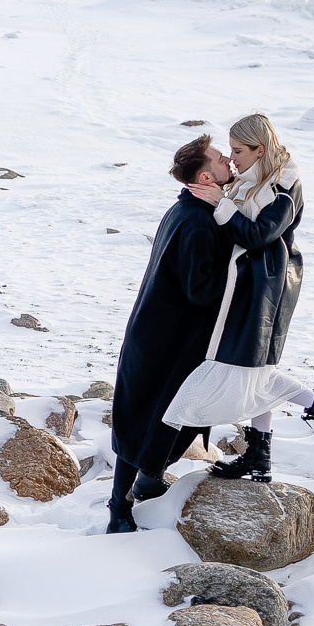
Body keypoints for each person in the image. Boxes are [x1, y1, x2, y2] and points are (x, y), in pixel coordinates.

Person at [172, 113, 314, 483]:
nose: (233, 157)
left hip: (268, 287)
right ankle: (269, 448)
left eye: (238, 150)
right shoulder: (252, 177)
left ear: (260, 149)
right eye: (229, 150)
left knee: (251, 371)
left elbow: (260, 235)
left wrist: (219, 204)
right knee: (259, 372)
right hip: (248, 283)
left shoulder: (284, 186)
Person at [105, 133, 236, 533]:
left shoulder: (183, 208)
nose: (228, 159)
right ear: (206, 178)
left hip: (152, 333)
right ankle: (119, 511)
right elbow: (202, 290)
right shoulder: (199, 222)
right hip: (166, 341)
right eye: (219, 158)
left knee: (143, 416)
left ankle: (145, 483)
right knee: (148, 419)